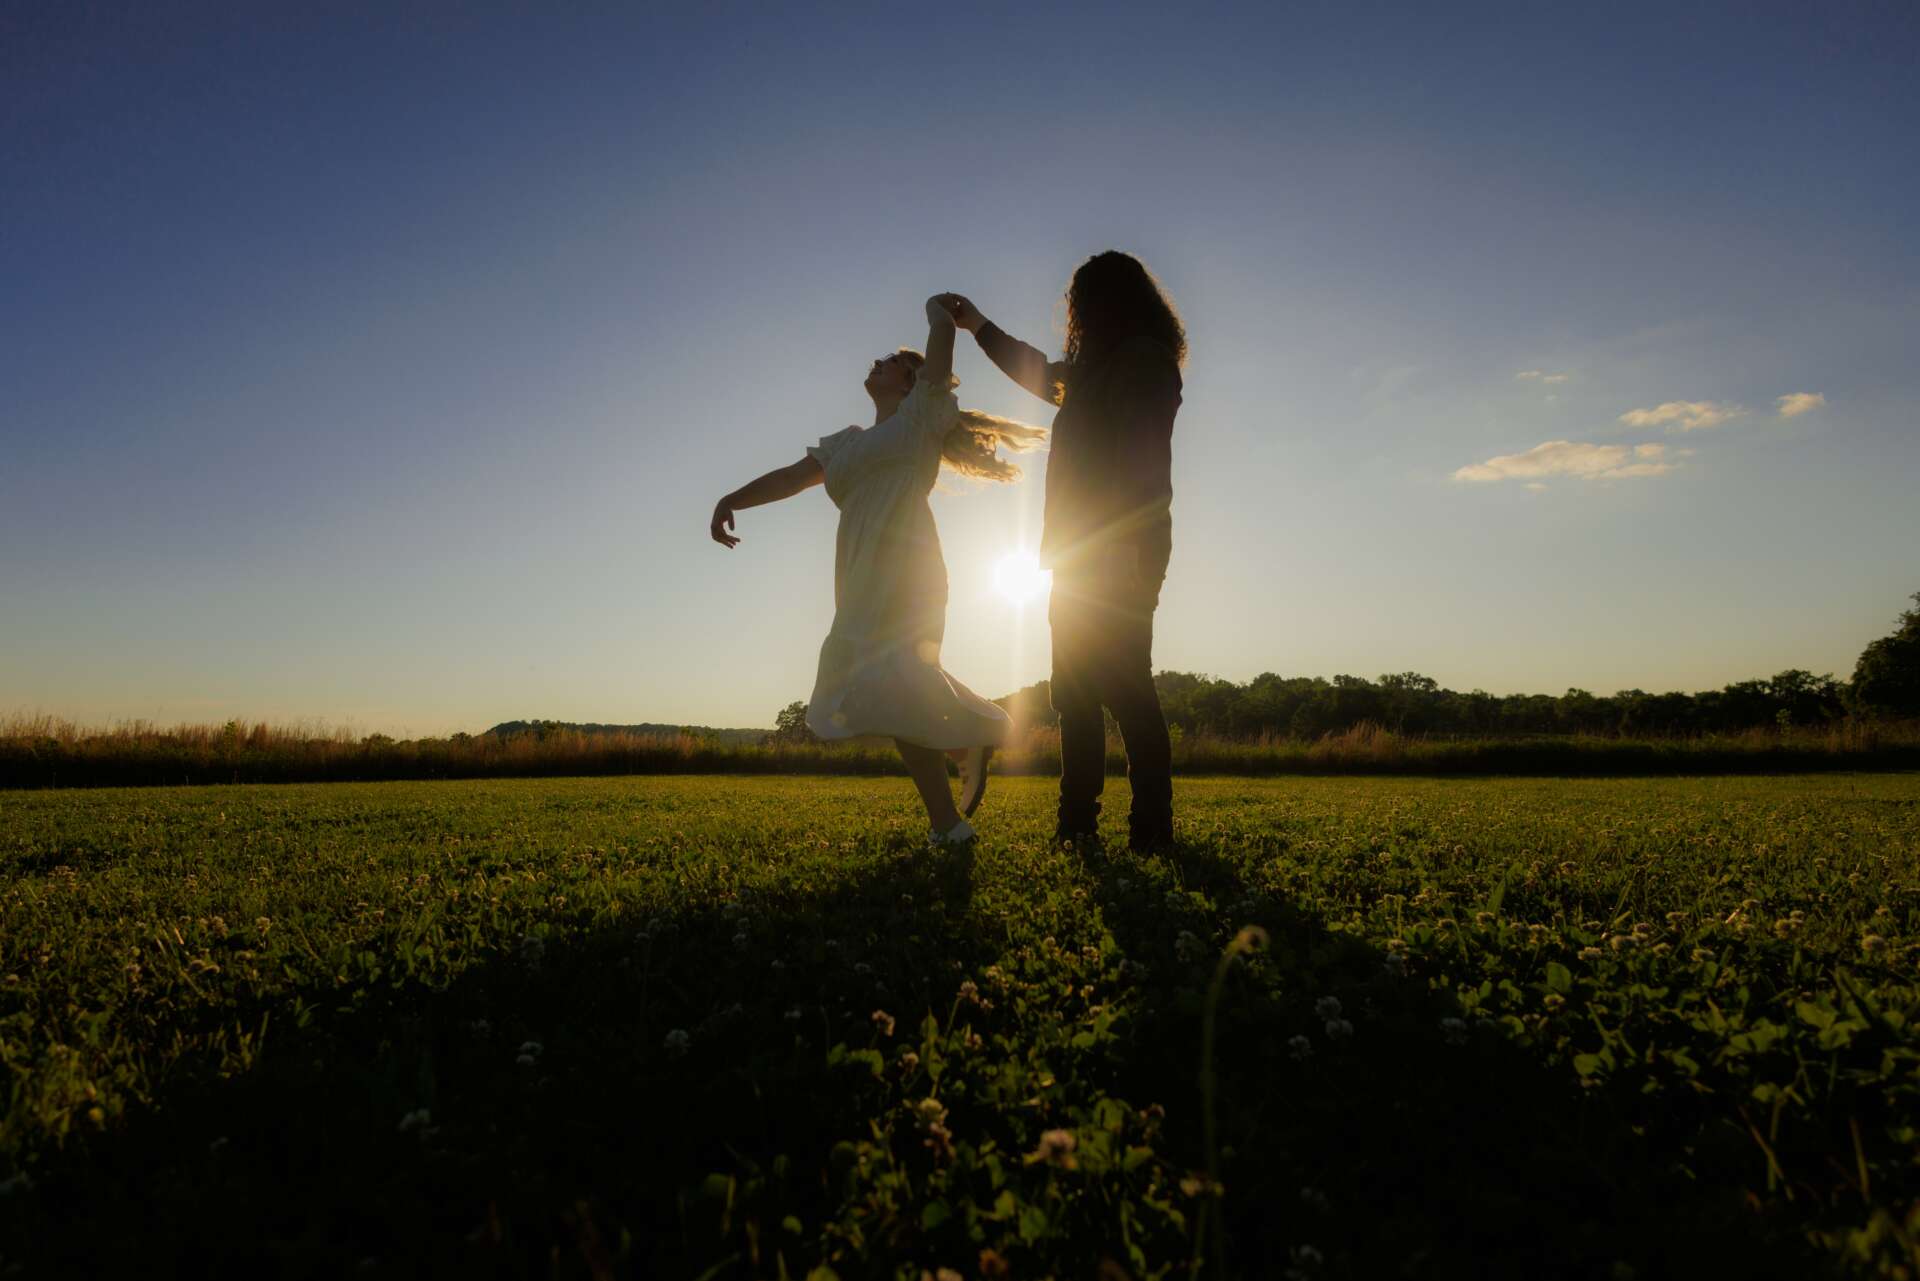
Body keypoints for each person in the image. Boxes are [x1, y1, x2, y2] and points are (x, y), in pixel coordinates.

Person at [709, 296, 1045, 846]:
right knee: (890, 691)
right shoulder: (846, 443)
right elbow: (789, 478)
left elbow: (942, 339)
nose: (878, 361)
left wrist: (938, 309)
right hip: (859, 572)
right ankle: (960, 762)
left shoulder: (923, 413)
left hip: (909, 567)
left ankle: (951, 814)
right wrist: (731, 499)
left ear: (911, 381)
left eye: (890, 360)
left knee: (894, 686)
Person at [937, 252, 1185, 851]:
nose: (1076, 314)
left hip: (1122, 546)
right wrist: (977, 325)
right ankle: (1076, 827)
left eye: (1082, 301)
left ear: (1105, 303)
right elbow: (1033, 370)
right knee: (1074, 693)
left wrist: (1125, 545)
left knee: (1127, 688)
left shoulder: (1144, 361)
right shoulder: (1091, 373)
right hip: (1076, 553)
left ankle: (1151, 830)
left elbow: (1142, 460)